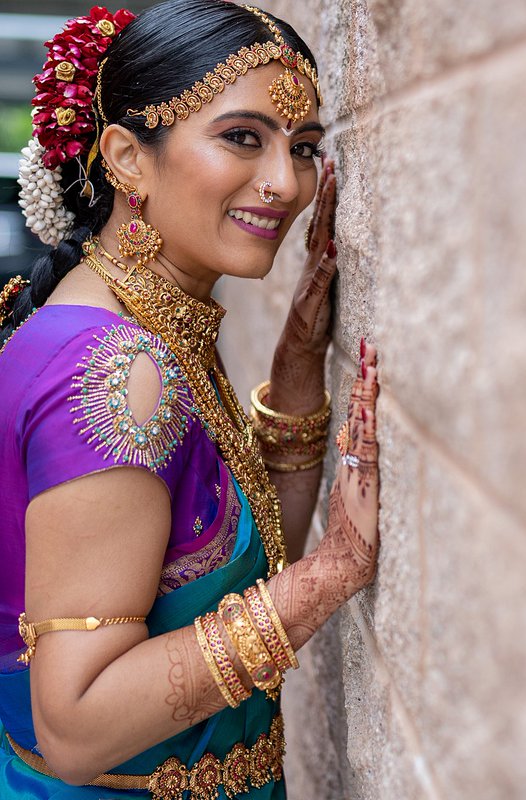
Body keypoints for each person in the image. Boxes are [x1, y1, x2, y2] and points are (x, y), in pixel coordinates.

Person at [0, 1, 380, 796]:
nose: (286, 183)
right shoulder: (109, 369)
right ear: (127, 158)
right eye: (243, 137)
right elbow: (76, 726)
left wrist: (301, 363)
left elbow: (225, 563)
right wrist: (332, 573)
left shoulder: (145, 323)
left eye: (304, 148)